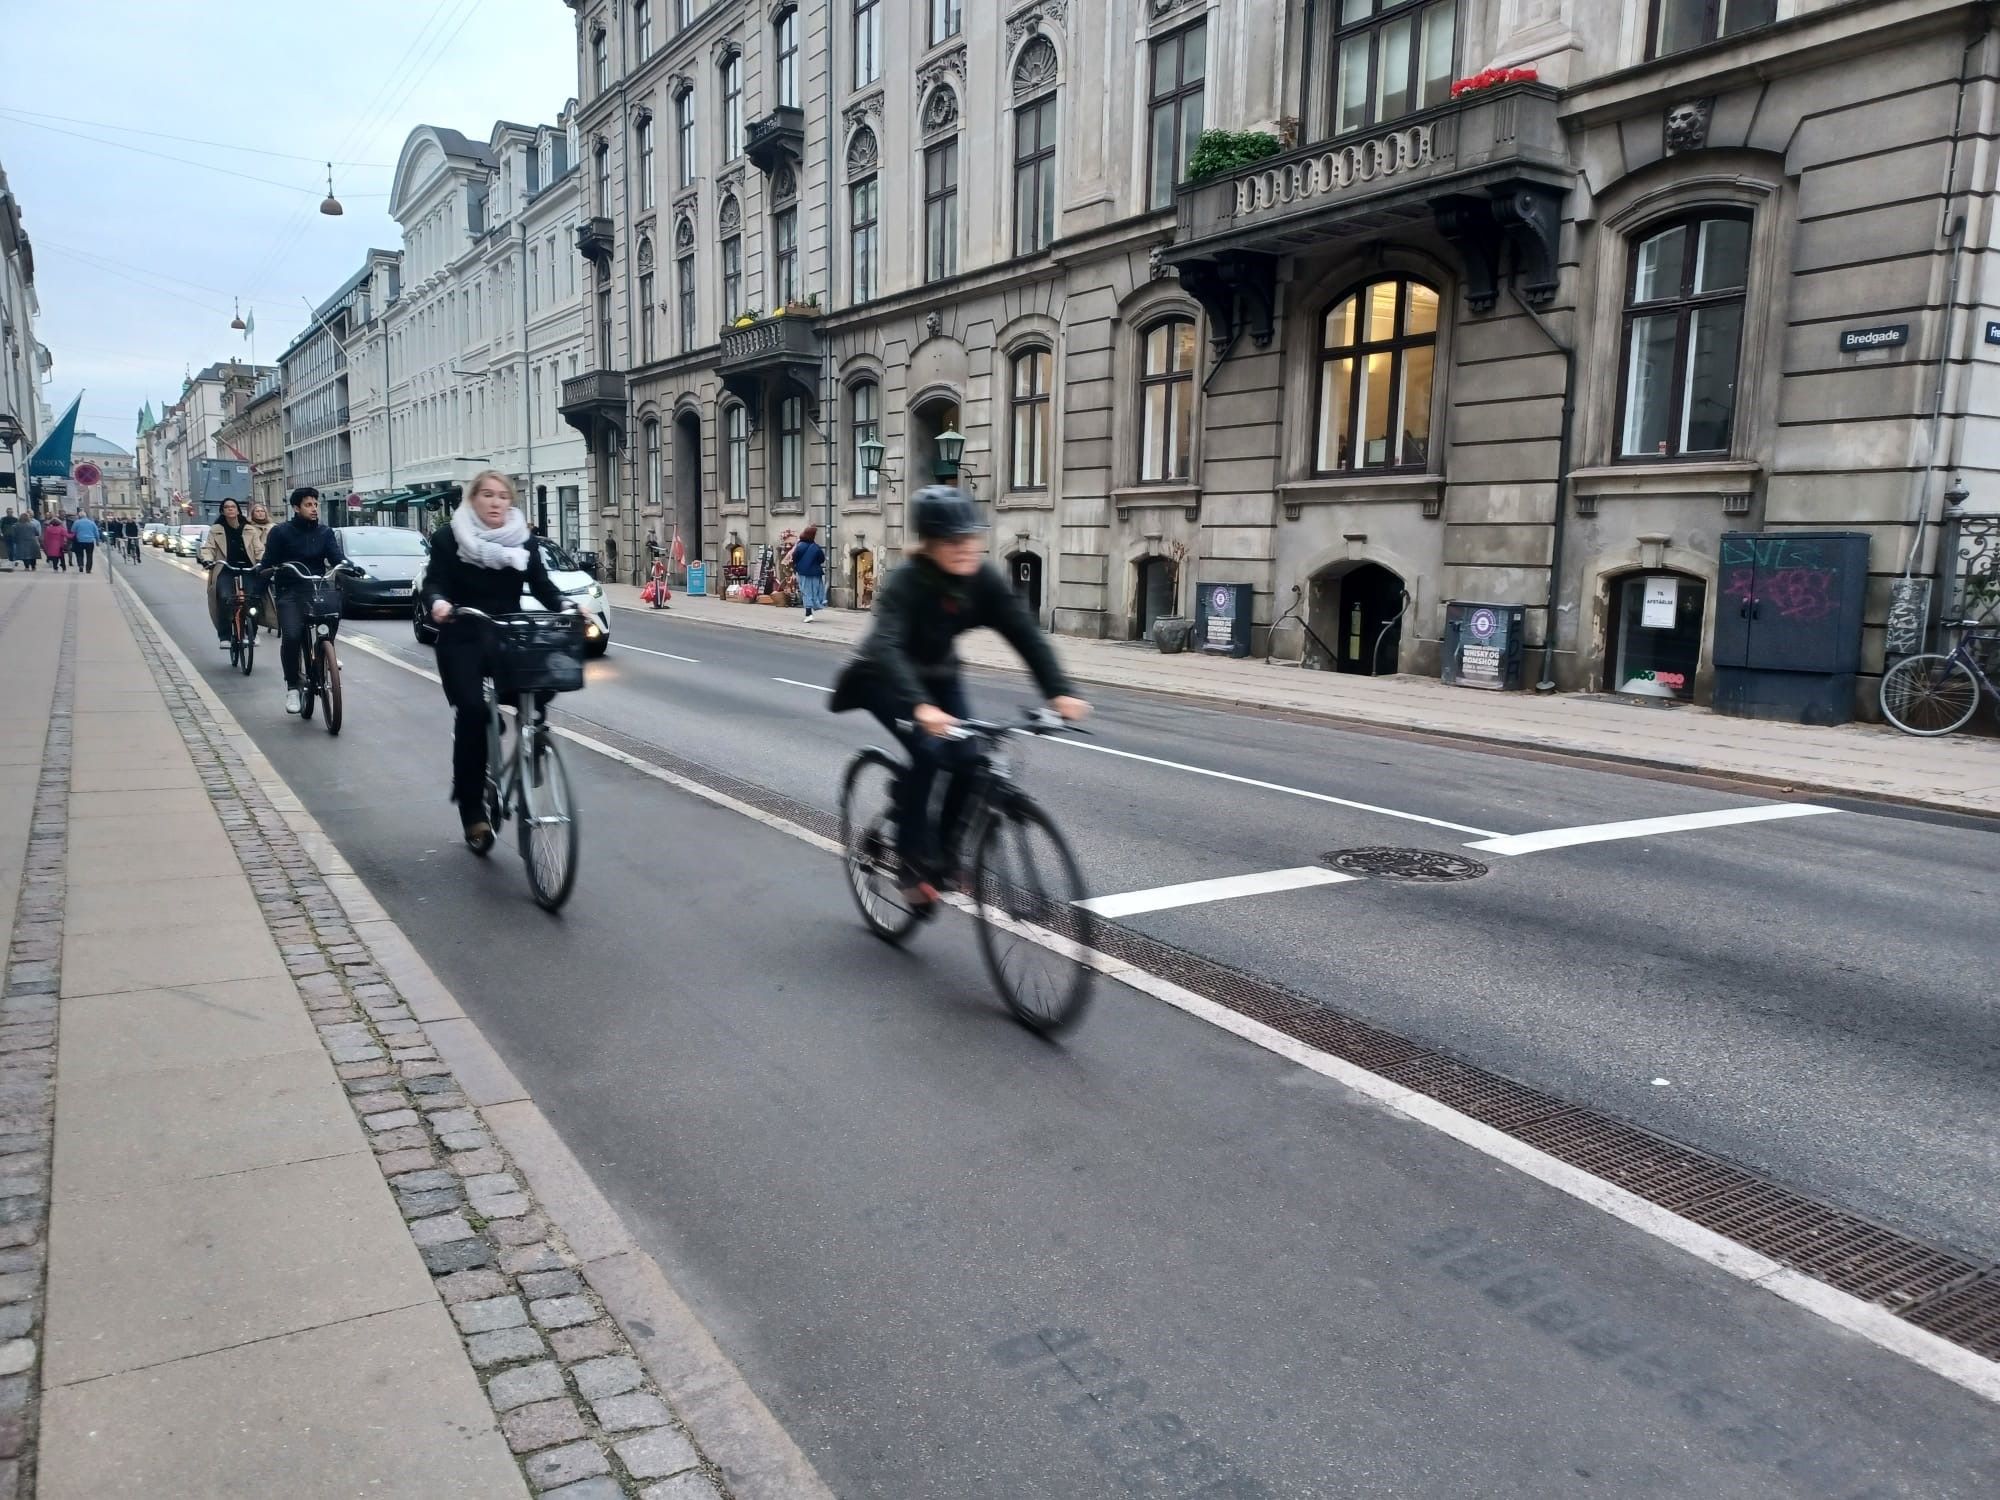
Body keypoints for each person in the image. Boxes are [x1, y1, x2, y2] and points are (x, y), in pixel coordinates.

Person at [829, 486, 1088, 908]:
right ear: (930, 544)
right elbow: (887, 647)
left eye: (971, 538)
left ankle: (944, 857)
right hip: (884, 678)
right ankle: (913, 861)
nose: (966, 548)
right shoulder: (906, 582)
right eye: (953, 541)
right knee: (930, 752)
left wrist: (1059, 691)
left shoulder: (981, 579)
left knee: (970, 758)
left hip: (940, 676)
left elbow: (1023, 633)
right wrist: (919, 707)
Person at [420, 470, 572, 851]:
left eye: (502, 496)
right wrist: (439, 603)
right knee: (472, 712)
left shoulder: (523, 540)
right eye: (486, 495)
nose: (495, 502)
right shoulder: (449, 538)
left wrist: (567, 606)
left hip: (506, 633)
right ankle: (473, 811)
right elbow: (433, 581)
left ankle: (530, 737)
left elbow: (542, 586)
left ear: (510, 502)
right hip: (463, 633)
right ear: (473, 500)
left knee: (542, 683)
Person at [260, 487, 348, 715]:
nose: (314, 509)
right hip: (290, 591)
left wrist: (349, 565)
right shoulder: (280, 532)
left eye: (316, 504)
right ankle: (292, 686)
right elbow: (269, 560)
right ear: (296, 508)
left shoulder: (325, 532)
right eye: (308, 505)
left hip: (316, 588)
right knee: (291, 636)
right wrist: (264, 570)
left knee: (333, 612)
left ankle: (327, 651)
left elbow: (336, 557)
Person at [197, 499, 263, 645]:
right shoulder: (216, 529)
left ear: (238, 510)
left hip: (248, 568)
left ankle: (251, 631)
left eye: (233, 507)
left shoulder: (249, 529)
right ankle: (225, 636)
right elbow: (209, 548)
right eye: (227, 507)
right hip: (226, 568)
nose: (230, 509)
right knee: (224, 597)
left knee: (253, 598)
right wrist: (207, 560)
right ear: (222, 511)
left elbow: (259, 549)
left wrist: (260, 562)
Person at [789, 524, 827, 620]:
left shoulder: (800, 546)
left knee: (806, 592)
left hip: (803, 572)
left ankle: (808, 614)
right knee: (816, 591)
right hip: (816, 573)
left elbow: (794, 558)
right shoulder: (816, 547)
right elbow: (822, 559)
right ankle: (818, 604)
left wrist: (796, 567)